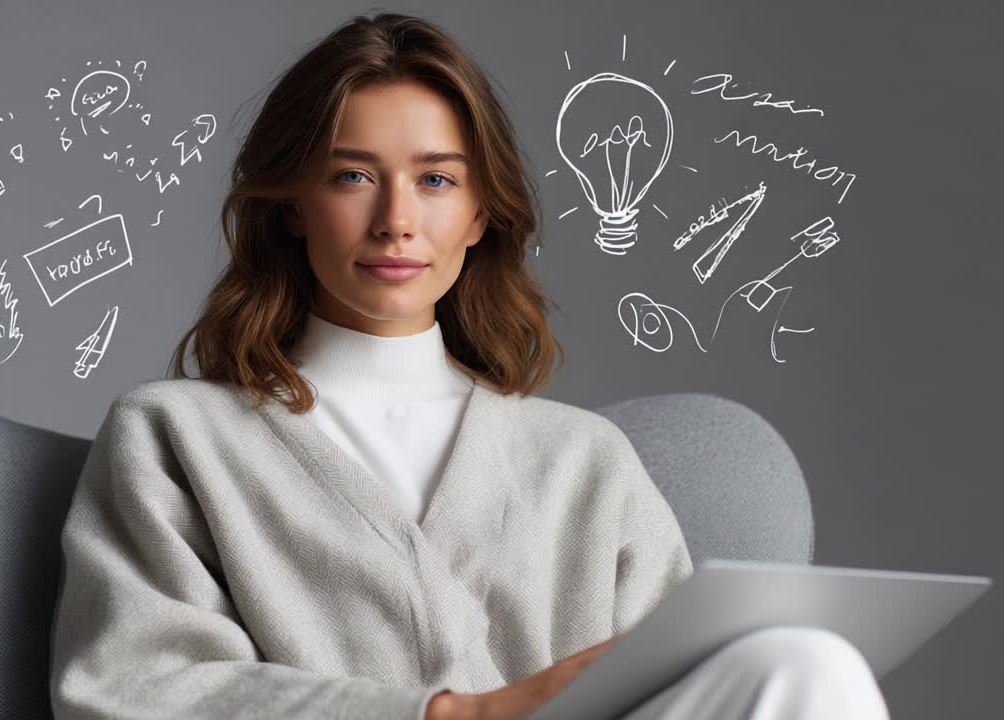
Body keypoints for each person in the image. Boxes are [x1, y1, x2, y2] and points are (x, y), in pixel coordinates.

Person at [49, 11, 889, 720]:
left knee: (808, 664)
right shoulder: (178, 435)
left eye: (437, 181)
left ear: (483, 212)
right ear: (294, 208)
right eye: (351, 176)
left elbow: (667, 682)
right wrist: (453, 714)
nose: (396, 222)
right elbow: (131, 690)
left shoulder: (582, 460)